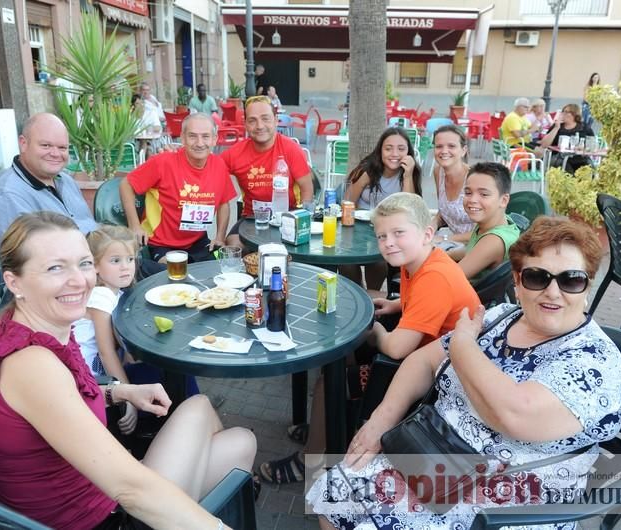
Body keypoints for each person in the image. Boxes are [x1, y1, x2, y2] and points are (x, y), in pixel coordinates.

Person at [307, 216, 621, 529]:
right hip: (435, 456)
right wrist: (381, 420)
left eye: (571, 279)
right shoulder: (501, 317)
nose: (553, 292)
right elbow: (423, 361)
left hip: (512, 498)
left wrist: (463, 348)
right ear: (517, 283)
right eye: (536, 278)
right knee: (336, 491)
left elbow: (513, 413)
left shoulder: (594, 359)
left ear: (586, 288)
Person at [0, 211, 257, 529]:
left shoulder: (33, 327)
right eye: (55, 268)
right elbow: (130, 488)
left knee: (236, 436)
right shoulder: (34, 364)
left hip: (96, 494)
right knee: (230, 444)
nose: (79, 280)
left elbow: (65, 396)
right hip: (103, 519)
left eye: (83, 263)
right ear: (14, 281)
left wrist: (117, 390)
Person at [259, 193, 479, 485]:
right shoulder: (420, 260)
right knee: (341, 355)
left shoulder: (434, 277)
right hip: (430, 357)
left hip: (435, 382)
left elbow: (397, 348)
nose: (389, 242)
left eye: (398, 233)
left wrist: (374, 330)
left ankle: (310, 460)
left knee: (334, 377)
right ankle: (329, 429)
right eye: (382, 236)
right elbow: (431, 304)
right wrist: (397, 305)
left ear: (427, 233)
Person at [72, 225, 199, 432]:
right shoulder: (101, 295)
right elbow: (106, 352)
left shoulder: (116, 292)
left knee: (174, 367)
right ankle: (184, 422)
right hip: (94, 381)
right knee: (175, 369)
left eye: (130, 259)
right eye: (115, 261)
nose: (125, 267)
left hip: (108, 372)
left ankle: (183, 416)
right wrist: (128, 397)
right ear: (95, 265)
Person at [120, 113, 235, 264]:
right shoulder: (163, 162)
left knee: (226, 266)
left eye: (205, 136)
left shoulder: (219, 165)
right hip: (162, 245)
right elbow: (126, 185)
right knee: (178, 276)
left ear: (214, 139)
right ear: (182, 138)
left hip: (199, 242)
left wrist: (220, 237)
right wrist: (134, 226)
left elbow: (223, 203)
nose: (199, 143)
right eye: (192, 136)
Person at [0, 113, 98, 249]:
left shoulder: (66, 180)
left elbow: (89, 225)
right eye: (46, 145)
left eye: (62, 148)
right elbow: (33, 256)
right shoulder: (8, 195)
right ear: (23, 144)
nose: (55, 154)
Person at [221, 96, 313, 248]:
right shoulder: (235, 154)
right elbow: (207, 167)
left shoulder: (291, 149)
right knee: (232, 245)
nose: (259, 126)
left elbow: (307, 190)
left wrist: (300, 225)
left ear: (276, 120)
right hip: (252, 218)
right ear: (245, 124)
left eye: (265, 119)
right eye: (252, 120)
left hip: (288, 216)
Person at [340, 127, 422, 290]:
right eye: (388, 148)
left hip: (387, 231)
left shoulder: (408, 173)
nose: (394, 154)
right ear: (380, 151)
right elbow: (348, 202)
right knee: (346, 263)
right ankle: (358, 293)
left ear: (408, 152)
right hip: (358, 228)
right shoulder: (367, 168)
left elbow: (409, 208)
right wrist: (363, 179)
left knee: (378, 263)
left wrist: (407, 175)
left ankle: (372, 294)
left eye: (401, 149)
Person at [446, 162, 520, 283]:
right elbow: (473, 251)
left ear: (504, 200)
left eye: (484, 194)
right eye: (468, 193)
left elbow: (451, 279)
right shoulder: (496, 221)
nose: (472, 200)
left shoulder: (493, 240)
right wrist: (440, 253)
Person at [430, 125, 475, 243]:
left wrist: (443, 239)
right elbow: (444, 212)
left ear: (463, 150)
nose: (444, 151)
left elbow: (487, 231)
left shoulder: (474, 178)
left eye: (451, 146)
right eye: (439, 146)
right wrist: (430, 227)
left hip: (475, 246)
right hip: (451, 242)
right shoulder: (438, 172)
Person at [538, 103, 595, 172]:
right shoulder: (557, 126)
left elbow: (592, 145)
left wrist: (584, 148)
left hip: (579, 157)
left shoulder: (584, 128)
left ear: (574, 114)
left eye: (566, 112)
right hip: (558, 157)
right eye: (563, 111)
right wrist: (556, 128)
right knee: (566, 166)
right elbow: (544, 144)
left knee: (589, 167)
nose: (562, 114)